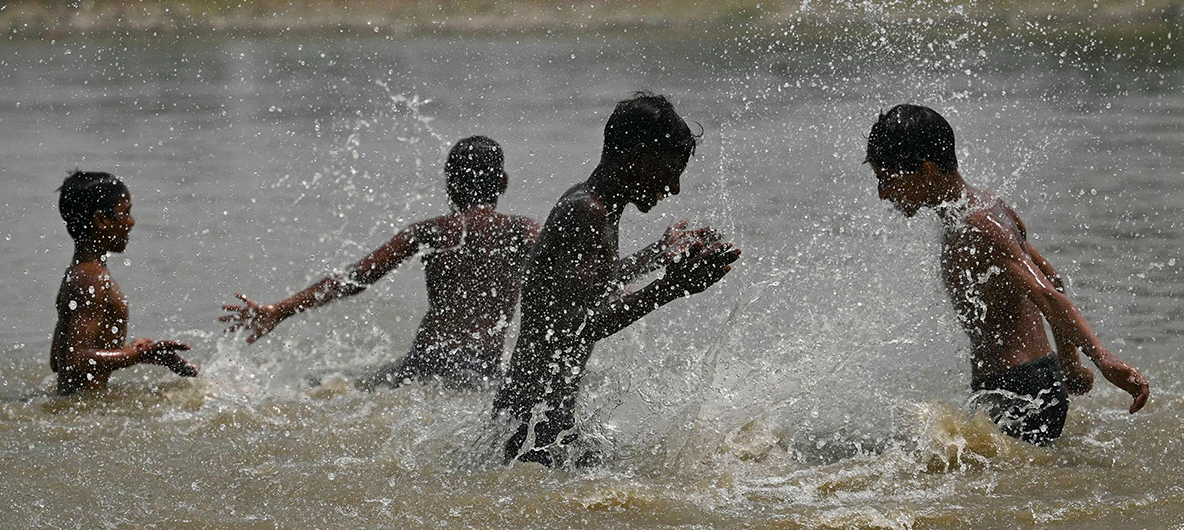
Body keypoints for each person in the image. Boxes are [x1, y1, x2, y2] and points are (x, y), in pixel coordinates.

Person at [865, 104, 1149, 445]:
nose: (882, 192)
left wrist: (1103, 360)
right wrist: (1070, 366)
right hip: (1024, 385)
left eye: (887, 178)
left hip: (1022, 392)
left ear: (925, 171)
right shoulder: (982, 210)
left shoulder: (979, 226)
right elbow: (1052, 278)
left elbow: (1046, 295)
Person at [494, 92, 741, 466]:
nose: (672, 188)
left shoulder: (594, 203)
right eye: (670, 172)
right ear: (640, 156)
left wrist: (657, 255)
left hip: (536, 418)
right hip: (530, 426)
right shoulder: (586, 211)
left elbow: (590, 288)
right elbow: (576, 327)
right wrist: (669, 288)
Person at [221, 135, 540, 389]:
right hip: (481, 371)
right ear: (503, 182)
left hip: (424, 362)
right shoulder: (523, 233)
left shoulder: (431, 231)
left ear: (449, 185)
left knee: (317, 386)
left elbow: (355, 279)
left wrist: (280, 310)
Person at [51, 171, 198, 396]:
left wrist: (138, 353)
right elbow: (75, 359)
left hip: (77, 405)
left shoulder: (77, 274)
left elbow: (57, 360)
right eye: (125, 212)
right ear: (101, 220)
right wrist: (135, 354)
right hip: (84, 412)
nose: (131, 221)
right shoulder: (92, 279)